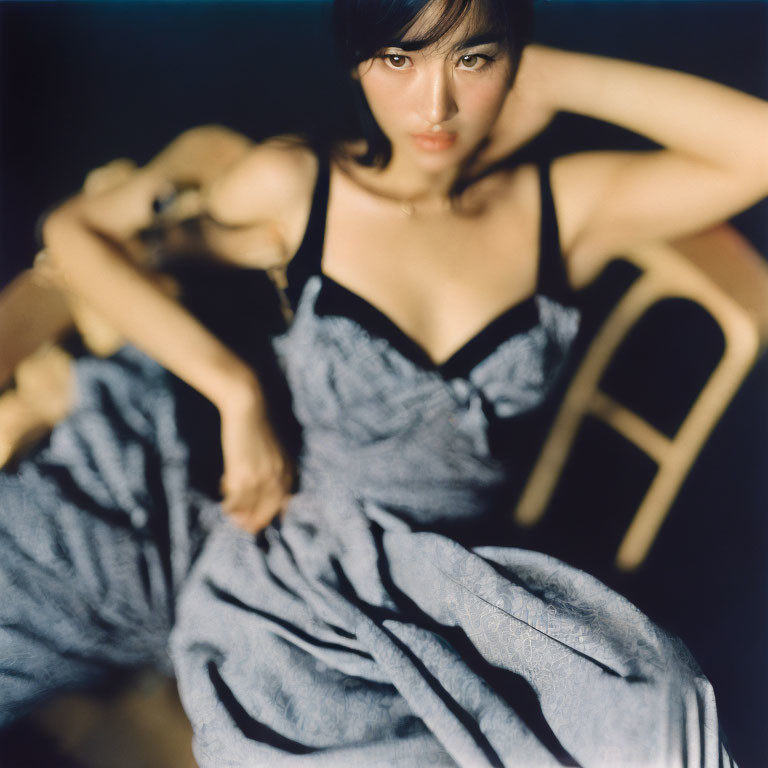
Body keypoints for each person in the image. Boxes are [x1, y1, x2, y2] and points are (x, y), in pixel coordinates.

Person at [2, 0, 767, 763]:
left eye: (472, 59)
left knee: (652, 716)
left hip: (466, 580)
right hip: (299, 573)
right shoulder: (300, 188)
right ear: (356, 60)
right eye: (399, 59)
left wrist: (543, 73)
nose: (434, 105)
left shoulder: (560, 207)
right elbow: (78, 236)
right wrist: (234, 391)